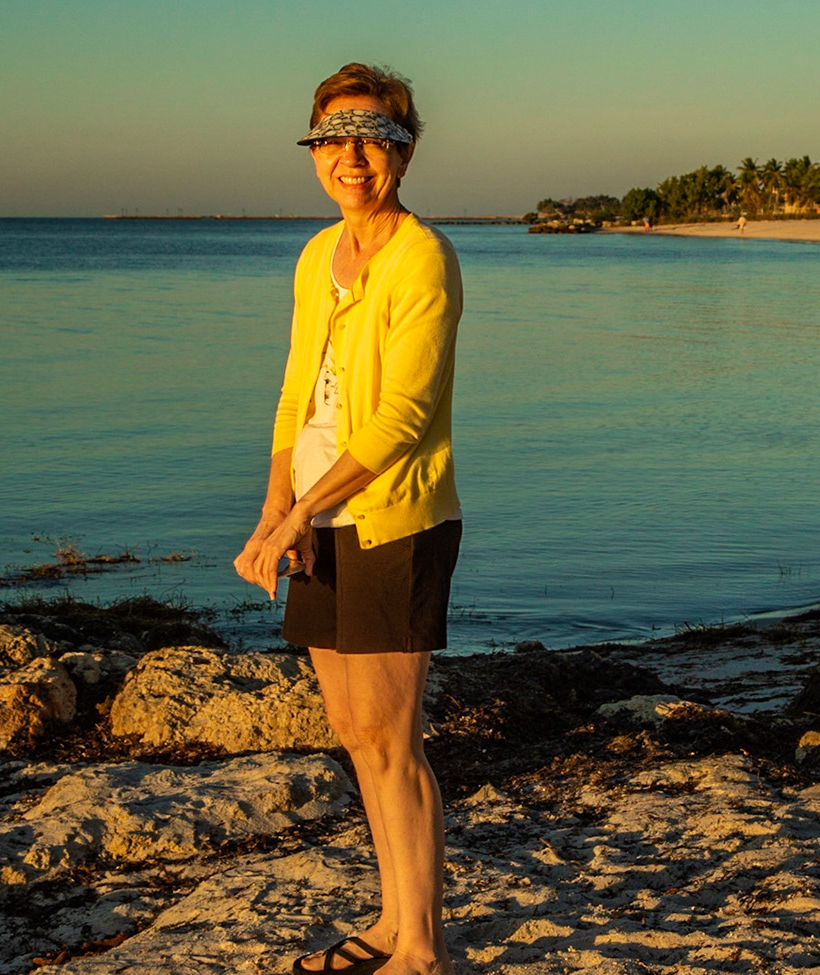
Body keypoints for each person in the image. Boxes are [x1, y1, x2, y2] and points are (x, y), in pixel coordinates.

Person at [234, 62, 462, 975]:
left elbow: (403, 418)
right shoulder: (314, 256)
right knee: (355, 735)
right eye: (332, 139)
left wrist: (305, 515)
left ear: (404, 152)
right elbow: (297, 393)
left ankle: (423, 947)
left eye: (371, 138)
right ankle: (390, 917)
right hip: (316, 523)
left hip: (393, 522)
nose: (350, 157)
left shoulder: (423, 256)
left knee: (394, 741)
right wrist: (274, 509)